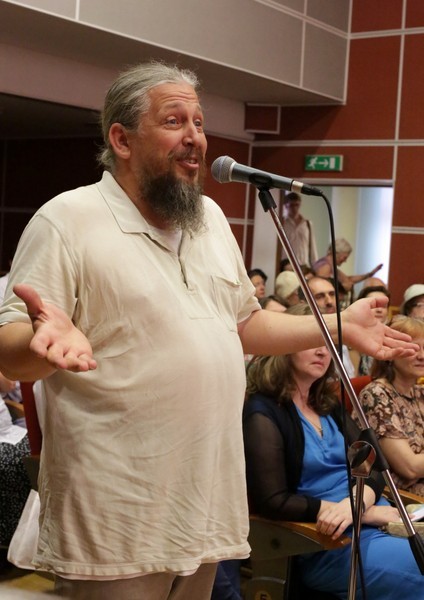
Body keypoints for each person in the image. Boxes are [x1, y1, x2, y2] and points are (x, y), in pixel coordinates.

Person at [0, 61, 416, 600]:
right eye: (174, 121)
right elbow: (12, 348)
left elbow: (245, 323)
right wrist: (43, 348)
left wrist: (335, 325)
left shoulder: (210, 219)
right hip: (118, 508)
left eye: (199, 122)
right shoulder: (67, 221)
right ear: (121, 140)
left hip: (204, 500)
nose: (195, 136)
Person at [243, 305, 424, 599]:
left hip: (372, 519)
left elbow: (376, 468)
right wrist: (360, 513)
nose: (322, 352)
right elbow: (273, 501)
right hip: (325, 540)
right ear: (284, 345)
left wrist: (357, 505)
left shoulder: (327, 403)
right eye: (312, 342)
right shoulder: (263, 412)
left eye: (328, 345)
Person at [356, 316, 424, 496]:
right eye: (414, 348)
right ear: (390, 353)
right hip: (398, 497)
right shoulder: (376, 395)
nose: (422, 356)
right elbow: (409, 468)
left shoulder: (419, 392)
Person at [314, 238, 383, 294]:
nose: (345, 261)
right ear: (336, 253)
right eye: (344, 257)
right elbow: (321, 289)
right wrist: (343, 287)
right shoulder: (325, 267)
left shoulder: (331, 267)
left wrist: (370, 274)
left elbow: (348, 280)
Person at [356, 285, 391, 376]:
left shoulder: (394, 338)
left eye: (383, 306)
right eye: (374, 305)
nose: (379, 310)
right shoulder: (349, 337)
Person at [280, 192, 318, 267]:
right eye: (291, 205)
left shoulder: (307, 224)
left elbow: (312, 246)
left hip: (303, 265)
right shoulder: (282, 223)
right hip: (286, 265)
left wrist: (315, 265)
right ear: (286, 206)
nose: (294, 208)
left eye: (297, 205)